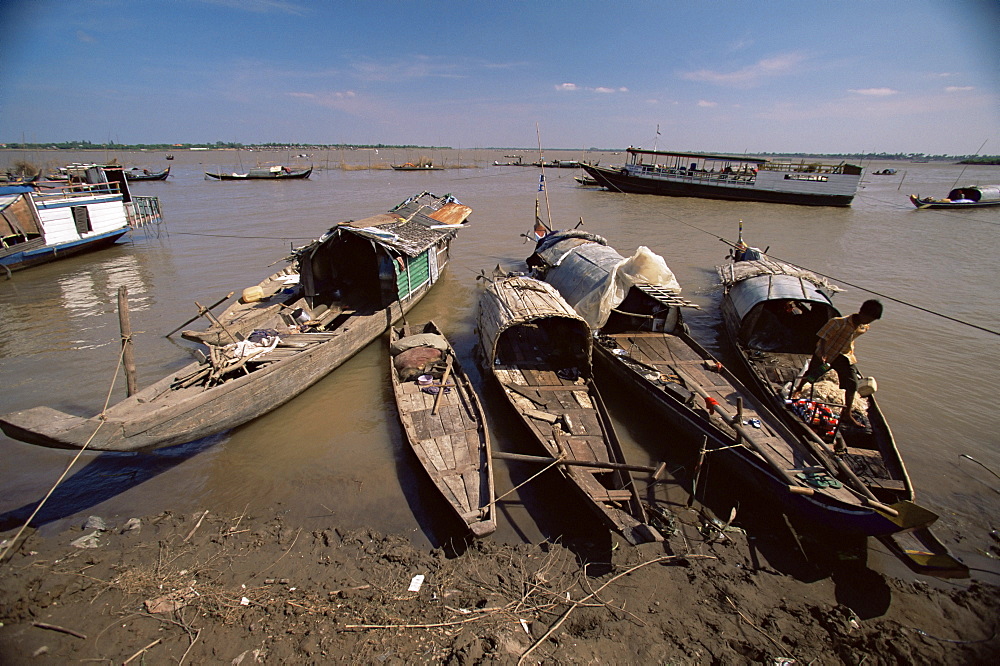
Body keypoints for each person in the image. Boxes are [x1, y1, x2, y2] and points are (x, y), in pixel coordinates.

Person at [793, 299, 883, 427]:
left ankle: (847, 414)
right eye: (868, 318)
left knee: (852, 384)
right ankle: (798, 389)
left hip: (843, 356)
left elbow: (851, 337)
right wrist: (823, 353)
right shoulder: (838, 322)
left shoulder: (863, 327)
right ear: (862, 312)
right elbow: (823, 337)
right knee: (812, 375)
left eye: (871, 320)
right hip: (827, 354)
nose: (869, 322)